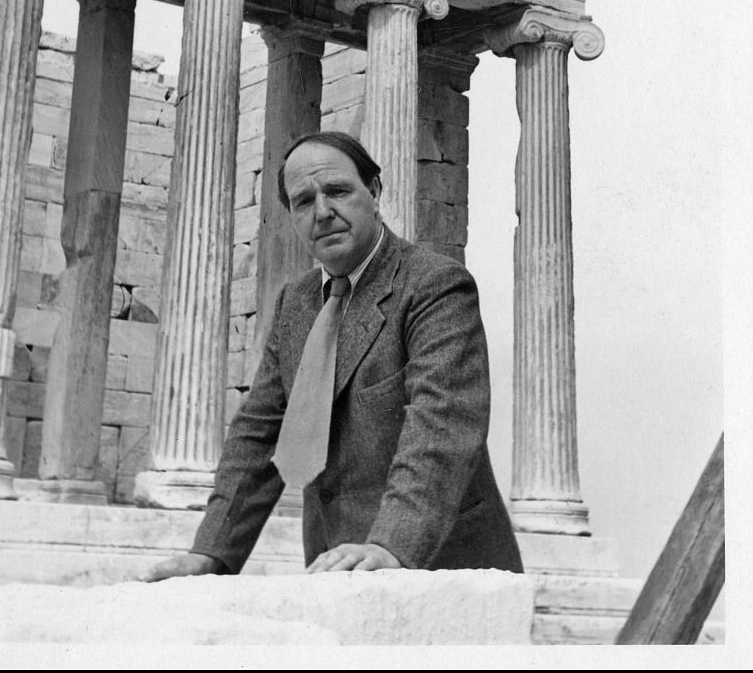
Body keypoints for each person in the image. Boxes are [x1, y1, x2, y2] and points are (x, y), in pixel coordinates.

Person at [145, 131, 522, 579]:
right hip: (334, 568)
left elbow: (440, 427)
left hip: (442, 565)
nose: (322, 212)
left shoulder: (436, 286)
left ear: (375, 191)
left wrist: (391, 545)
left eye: (338, 191)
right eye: (303, 202)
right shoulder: (296, 302)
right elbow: (259, 432)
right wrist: (212, 553)